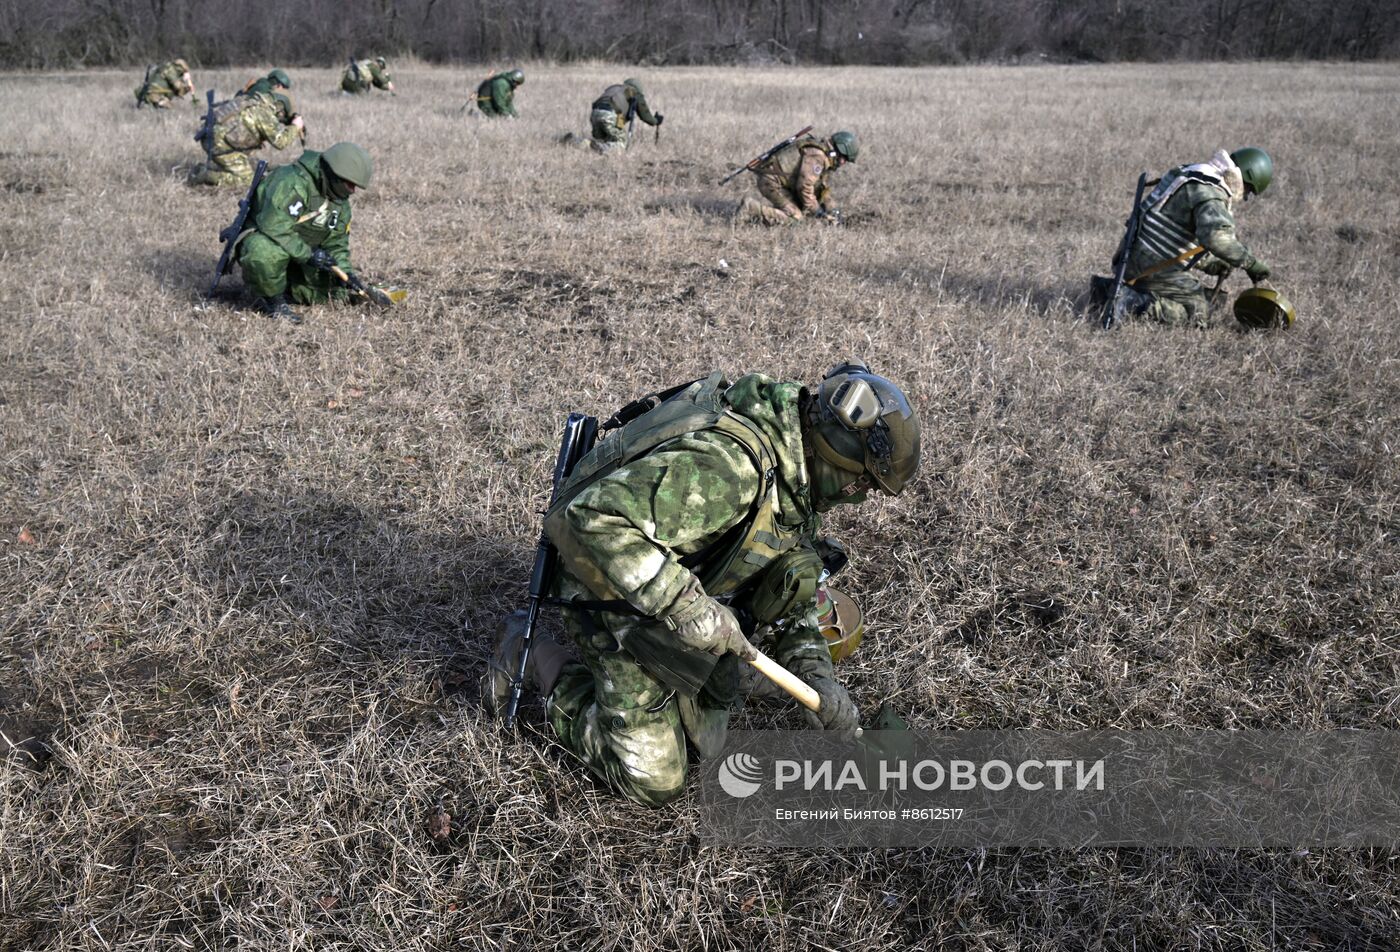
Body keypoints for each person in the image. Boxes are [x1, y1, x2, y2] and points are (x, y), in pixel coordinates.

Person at [484, 362, 921, 807]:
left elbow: (792, 581)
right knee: (654, 779)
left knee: (707, 743)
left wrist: (817, 678)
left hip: (670, 576)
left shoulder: (797, 463)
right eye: (863, 482)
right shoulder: (732, 471)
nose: (862, 496)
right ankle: (529, 650)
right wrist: (687, 606)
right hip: (603, 583)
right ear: (837, 456)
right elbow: (593, 519)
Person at [1097, 147, 1275, 327]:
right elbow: (1216, 238)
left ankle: (1108, 291)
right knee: (1198, 312)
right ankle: (1132, 303)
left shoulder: (1192, 172)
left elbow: (1173, 232)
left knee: (1207, 298)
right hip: (1151, 266)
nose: (1244, 195)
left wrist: (1210, 262)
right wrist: (1250, 264)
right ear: (1246, 177)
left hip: (1132, 257)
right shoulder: (1211, 192)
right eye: (1248, 190)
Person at [232, 142, 372, 324]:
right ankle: (271, 300)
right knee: (263, 252)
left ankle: (287, 288)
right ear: (334, 175)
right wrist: (309, 254)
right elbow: (274, 227)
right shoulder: (290, 182)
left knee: (336, 293)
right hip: (272, 241)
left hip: (301, 256)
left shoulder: (339, 202)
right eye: (349, 185)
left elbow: (336, 242)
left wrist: (345, 274)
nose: (352, 191)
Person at [738, 131, 858, 225]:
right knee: (796, 218)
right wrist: (819, 213)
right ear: (838, 152)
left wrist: (833, 210)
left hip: (781, 182)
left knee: (802, 209)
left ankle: (772, 213)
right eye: (844, 159)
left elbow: (821, 189)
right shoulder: (818, 156)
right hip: (771, 182)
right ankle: (751, 208)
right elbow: (804, 187)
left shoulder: (824, 154)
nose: (843, 163)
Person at [189, 92, 304, 188]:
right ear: (281, 110)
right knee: (248, 180)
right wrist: (295, 127)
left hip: (209, 137)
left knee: (253, 165)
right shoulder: (263, 113)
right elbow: (281, 142)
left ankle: (210, 167)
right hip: (219, 145)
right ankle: (206, 175)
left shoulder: (249, 100)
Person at [587, 77, 662, 153]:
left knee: (601, 140)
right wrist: (656, 121)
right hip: (609, 114)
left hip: (595, 113)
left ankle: (583, 143)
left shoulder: (616, 88)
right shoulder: (634, 93)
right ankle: (603, 148)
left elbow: (620, 116)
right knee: (621, 143)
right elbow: (645, 115)